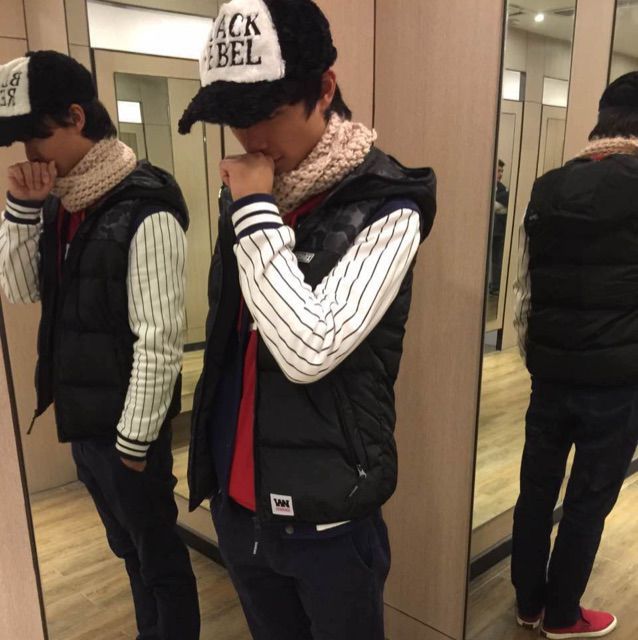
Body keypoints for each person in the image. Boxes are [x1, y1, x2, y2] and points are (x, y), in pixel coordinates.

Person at [178, 0, 436, 638]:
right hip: (240, 504)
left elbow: (308, 350)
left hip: (328, 517)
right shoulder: (254, 196)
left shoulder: (388, 207)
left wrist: (254, 212)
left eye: (266, 114)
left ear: (324, 89)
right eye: (235, 120)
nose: (251, 139)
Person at [0, 51, 200, 640]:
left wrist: (133, 445)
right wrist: (22, 210)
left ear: (76, 117)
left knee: (159, 559)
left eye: (37, 137)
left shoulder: (146, 206)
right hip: (85, 422)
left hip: (127, 432)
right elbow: (20, 289)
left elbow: (159, 340)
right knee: (130, 553)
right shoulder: (62, 202)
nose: (29, 154)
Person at [511, 71, 638, 639]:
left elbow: (527, 285)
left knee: (536, 490)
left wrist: (537, 353)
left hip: (550, 373)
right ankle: (563, 615)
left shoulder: (548, 186)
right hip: (617, 380)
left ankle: (528, 603)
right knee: (588, 499)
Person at [489, 159, 509, 296]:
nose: (500, 174)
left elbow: (505, 207)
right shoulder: (485, 187)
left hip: (499, 230)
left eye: (502, 171)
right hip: (487, 231)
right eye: (498, 170)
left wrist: (495, 206)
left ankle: (495, 286)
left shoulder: (503, 189)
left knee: (497, 259)